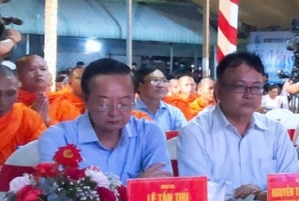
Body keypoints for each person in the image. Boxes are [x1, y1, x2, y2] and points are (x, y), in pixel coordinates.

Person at [177, 52, 299, 200]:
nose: (249, 95)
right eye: (239, 86)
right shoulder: (195, 133)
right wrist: (247, 196)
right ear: (218, 91)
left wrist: (265, 196)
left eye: (256, 87)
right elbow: (197, 191)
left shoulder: (275, 131)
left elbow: (294, 183)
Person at [36, 59, 170, 182]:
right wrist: (136, 185)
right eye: (103, 104)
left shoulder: (149, 133)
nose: (114, 113)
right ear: (86, 100)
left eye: (124, 104)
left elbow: (159, 187)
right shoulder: (58, 138)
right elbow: (56, 195)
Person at [0, 64, 46, 161]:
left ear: (18, 92)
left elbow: (42, 156)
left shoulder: (29, 118)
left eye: (10, 94)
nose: (2, 101)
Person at [134, 63, 188, 134]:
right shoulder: (130, 111)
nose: (160, 85)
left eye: (164, 81)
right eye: (154, 81)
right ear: (140, 86)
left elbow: (185, 136)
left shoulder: (173, 112)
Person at [15, 56, 63, 126]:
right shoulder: (9, 102)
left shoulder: (60, 102)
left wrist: (47, 120)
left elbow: (74, 131)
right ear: (19, 77)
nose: (39, 73)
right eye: (32, 69)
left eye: (43, 69)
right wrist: (31, 116)